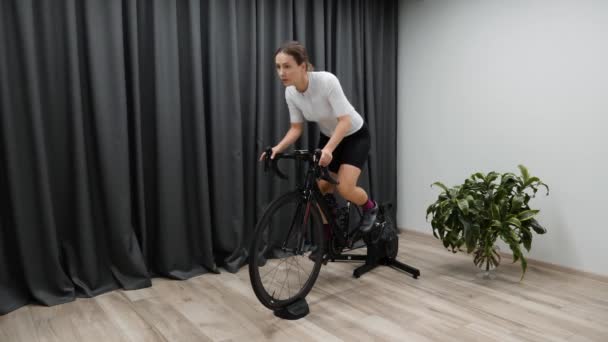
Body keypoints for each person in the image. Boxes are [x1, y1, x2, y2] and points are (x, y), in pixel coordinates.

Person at [259, 41, 377, 232]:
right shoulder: (290, 93)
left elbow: (345, 121)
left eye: (287, 66)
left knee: (345, 188)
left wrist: (329, 149)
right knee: (320, 190)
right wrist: (277, 148)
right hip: (329, 136)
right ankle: (329, 239)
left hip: (354, 135)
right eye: (278, 67)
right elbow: (296, 128)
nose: (281, 72)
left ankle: (370, 208)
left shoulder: (326, 81)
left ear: (302, 66)